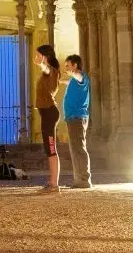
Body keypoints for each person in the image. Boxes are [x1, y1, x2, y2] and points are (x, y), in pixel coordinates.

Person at [35, 44, 62, 193]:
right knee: (49, 149)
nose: (36, 58)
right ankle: (52, 182)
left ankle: (54, 185)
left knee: (51, 149)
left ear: (46, 57)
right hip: (46, 113)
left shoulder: (51, 71)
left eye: (39, 55)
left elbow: (47, 70)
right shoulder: (48, 72)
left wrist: (42, 65)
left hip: (50, 113)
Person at [62, 54, 92, 189]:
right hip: (72, 118)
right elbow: (68, 81)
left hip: (77, 117)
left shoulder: (81, 78)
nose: (66, 69)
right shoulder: (74, 81)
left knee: (79, 148)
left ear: (75, 65)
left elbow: (78, 77)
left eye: (68, 66)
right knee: (75, 149)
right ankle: (78, 179)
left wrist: (72, 73)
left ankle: (84, 179)